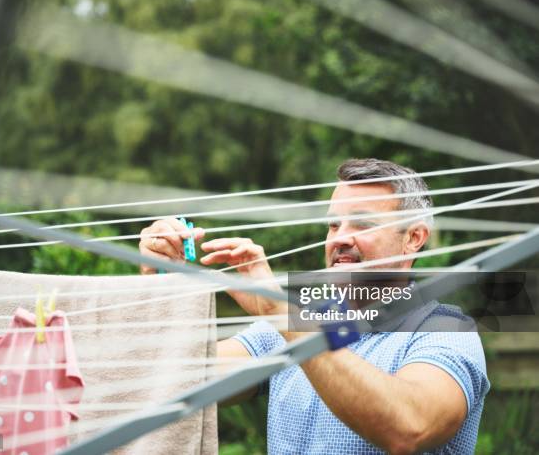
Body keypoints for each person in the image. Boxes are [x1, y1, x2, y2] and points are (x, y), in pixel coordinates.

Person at [139, 158, 490, 454]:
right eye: (334, 224)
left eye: (363, 223)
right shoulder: (296, 324)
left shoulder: (448, 331)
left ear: (413, 238)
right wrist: (160, 283)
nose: (339, 238)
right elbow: (176, 378)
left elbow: (410, 428)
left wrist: (282, 314)